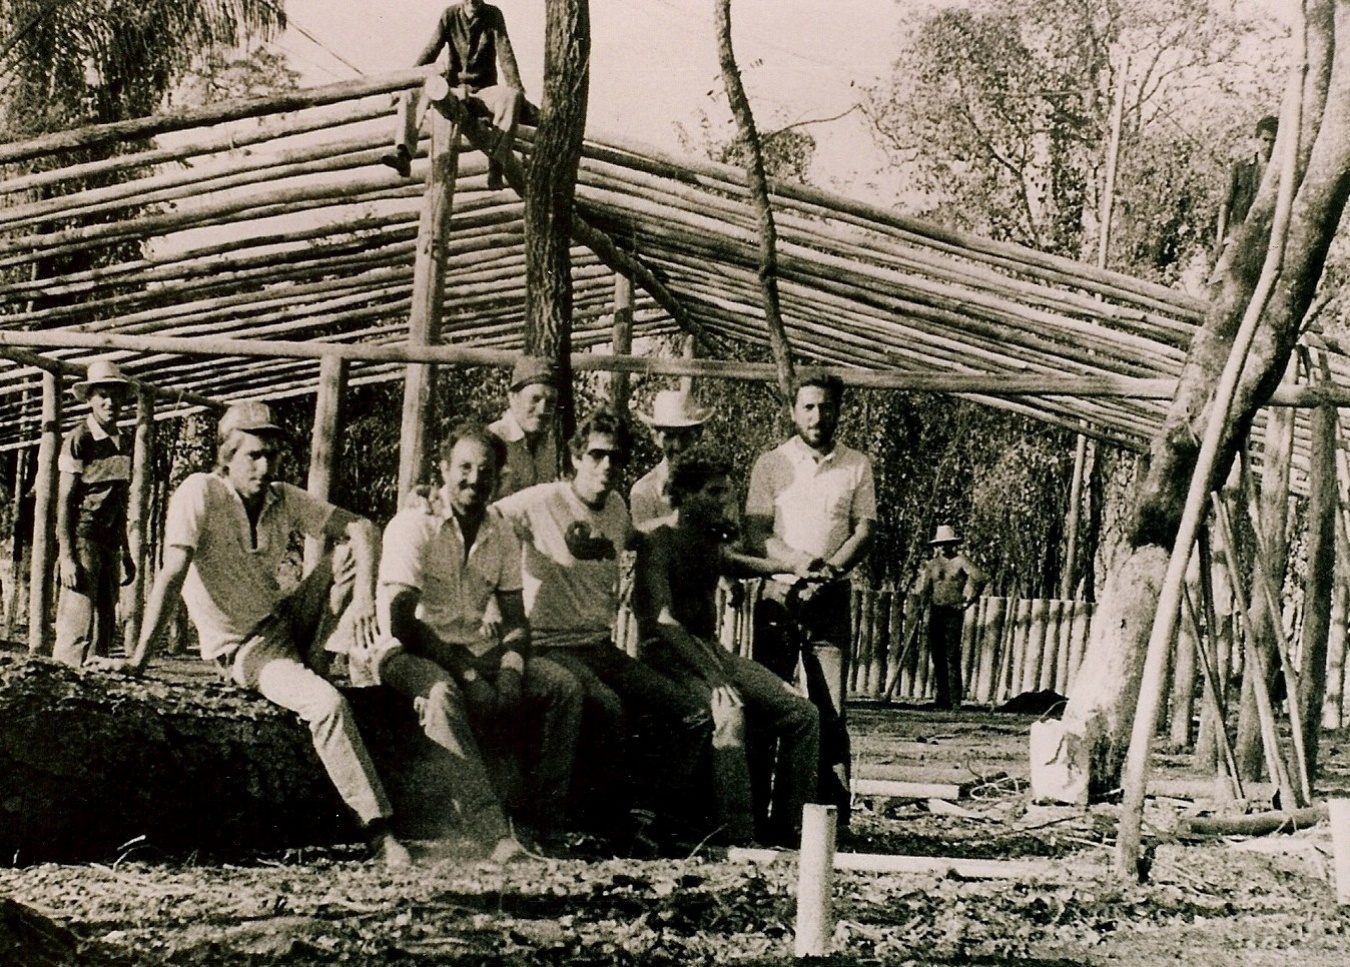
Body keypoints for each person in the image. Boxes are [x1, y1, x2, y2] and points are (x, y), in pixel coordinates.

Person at [95, 401, 412, 869]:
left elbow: (363, 527)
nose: (265, 467)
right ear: (226, 456)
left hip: (284, 622)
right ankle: (379, 832)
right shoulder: (200, 492)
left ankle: (316, 662)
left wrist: (364, 595)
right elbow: (172, 575)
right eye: (253, 456)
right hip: (246, 649)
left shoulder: (282, 497)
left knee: (348, 552)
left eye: (272, 456)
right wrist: (138, 659)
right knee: (328, 706)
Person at [494, 407, 712, 844]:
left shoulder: (616, 506)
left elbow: (633, 537)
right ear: (576, 457)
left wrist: (683, 525)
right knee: (606, 706)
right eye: (596, 455)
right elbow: (487, 516)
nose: (606, 466)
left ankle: (645, 818)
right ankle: (550, 824)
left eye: (616, 457)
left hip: (600, 645)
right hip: (549, 644)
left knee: (691, 711)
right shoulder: (541, 500)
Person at [377, 423, 583, 841]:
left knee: (563, 686)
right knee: (442, 695)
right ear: (444, 469)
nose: (474, 479)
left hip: (476, 647)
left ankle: (544, 823)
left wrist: (510, 673)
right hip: (405, 651)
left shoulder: (501, 532)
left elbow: (516, 619)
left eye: (485, 471)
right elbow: (402, 621)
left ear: (498, 477)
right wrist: (469, 675)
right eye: (464, 467)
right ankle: (488, 827)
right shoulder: (413, 524)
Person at [632, 447, 820, 846]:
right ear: (685, 493)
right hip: (667, 655)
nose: (724, 501)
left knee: (803, 713)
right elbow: (664, 623)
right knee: (729, 715)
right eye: (714, 492)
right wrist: (715, 677)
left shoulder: (706, 537)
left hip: (710, 650)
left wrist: (790, 565)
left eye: (726, 492)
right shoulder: (657, 541)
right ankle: (737, 837)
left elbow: (732, 562)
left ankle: (792, 832)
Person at [745, 371, 876, 822]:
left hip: (830, 599)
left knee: (830, 711)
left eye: (825, 407)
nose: (817, 416)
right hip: (778, 596)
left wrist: (830, 571)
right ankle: (757, 815)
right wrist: (797, 564)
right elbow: (756, 532)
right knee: (769, 702)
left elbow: (865, 530)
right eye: (808, 407)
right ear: (793, 411)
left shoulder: (856, 465)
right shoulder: (771, 463)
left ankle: (828, 820)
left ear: (838, 410)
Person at [382, 0, 524, 190]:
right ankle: (403, 154)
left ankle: (497, 164)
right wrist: (407, 80)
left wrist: (516, 87)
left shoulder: (493, 15)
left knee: (511, 96)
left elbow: (505, 53)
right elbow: (431, 50)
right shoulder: (450, 15)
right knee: (412, 91)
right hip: (455, 90)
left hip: (483, 92)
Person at [52, 360, 135, 667]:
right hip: (84, 537)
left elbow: (120, 500)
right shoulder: (79, 439)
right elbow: (65, 501)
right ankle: (62, 677)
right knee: (77, 617)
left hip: (110, 541)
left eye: (116, 395)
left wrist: (126, 551)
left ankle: (97, 681)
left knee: (105, 618)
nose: (110, 402)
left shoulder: (124, 441)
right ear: (90, 399)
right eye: (103, 395)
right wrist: (67, 556)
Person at [910, 525, 987, 711]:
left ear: (954, 544)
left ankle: (955, 700)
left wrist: (969, 602)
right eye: (941, 544)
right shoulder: (932, 564)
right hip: (936, 611)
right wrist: (920, 608)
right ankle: (941, 698)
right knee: (937, 656)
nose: (944, 547)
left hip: (953, 612)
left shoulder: (961, 561)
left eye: (948, 544)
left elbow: (981, 578)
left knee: (951, 656)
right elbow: (926, 589)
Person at [629, 389, 712, 530]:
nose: (678, 446)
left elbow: (732, 538)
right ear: (656, 438)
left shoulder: (717, 484)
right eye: (669, 436)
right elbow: (644, 538)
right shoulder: (644, 491)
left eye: (685, 436)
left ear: (697, 435)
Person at [489, 356, 560, 499]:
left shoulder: (550, 444)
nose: (542, 410)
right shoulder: (492, 439)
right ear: (513, 398)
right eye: (535, 399)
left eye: (550, 402)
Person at [1214, 114, 1278, 262]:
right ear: (1257, 138)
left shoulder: (1280, 172)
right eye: (1265, 140)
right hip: (1238, 235)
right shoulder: (1240, 168)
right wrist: (1220, 238)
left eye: (1273, 141)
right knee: (1224, 272)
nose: (1269, 146)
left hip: (1267, 239)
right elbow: (1226, 204)